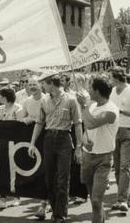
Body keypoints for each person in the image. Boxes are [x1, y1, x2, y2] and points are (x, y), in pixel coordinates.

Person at [28, 74, 83, 223]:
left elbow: (78, 124)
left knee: (63, 179)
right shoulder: (44, 100)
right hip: (49, 139)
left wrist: (79, 147)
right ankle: (54, 211)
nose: (42, 87)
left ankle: (60, 215)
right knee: (50, 178)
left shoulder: (71, 99)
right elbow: (39, 122)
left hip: (64, 138)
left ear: (51, 83)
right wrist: (32, 143)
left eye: (44, 84)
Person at [77, 77, 118, 223]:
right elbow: (85, 131)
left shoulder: (111, 110)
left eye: (90, 88)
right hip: (88, 157)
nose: (88, 91)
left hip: (104, 158)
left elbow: (91, 123)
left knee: (96, 200)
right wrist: (83, 143)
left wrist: (83, 106)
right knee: (94, 200)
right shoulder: (92, 106)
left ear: (97, 91)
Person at [109, 67, 130, 212]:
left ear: (117, 77)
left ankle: (121, 199)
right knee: (117, 168)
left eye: (110, 77)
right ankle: (125, 196)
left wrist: (122, 111)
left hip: (129, 131)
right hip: (114, 131)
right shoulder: (112, 91)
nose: (109, 79)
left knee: (125, 166)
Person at [19, 77, 49, 220]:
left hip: (47, 137)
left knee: (47, 169)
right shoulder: (26, 101)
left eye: (35, 84)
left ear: (40, 85)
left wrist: (36, 119)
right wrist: (26, 120)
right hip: (32, 139)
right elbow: (22, 118)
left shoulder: (47, 99)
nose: (32, 87)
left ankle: (46, 202)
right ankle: (43, 200)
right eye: (30, 84)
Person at [0, 88, 24, 210]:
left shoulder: (18, 108)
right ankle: (2, 198)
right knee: (3, 171)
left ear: (6, 97)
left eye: (0, 96)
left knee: (15, 170)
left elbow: (20, 127)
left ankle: (17, 197)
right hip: (2, 144)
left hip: (15, 144)